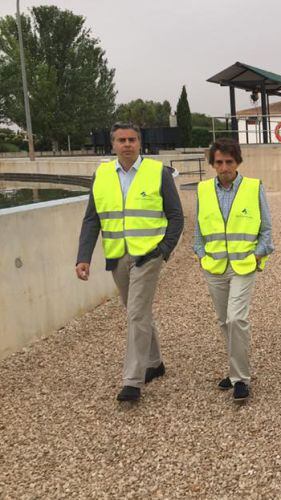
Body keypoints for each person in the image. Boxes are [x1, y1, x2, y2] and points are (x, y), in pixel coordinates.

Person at [75, 122, 184, 403]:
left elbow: (176, 216)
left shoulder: (158, 173)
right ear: (112, 145)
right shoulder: (101, 175)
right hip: (116, 256)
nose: (127, 144)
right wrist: (83, 257)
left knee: (136, 313)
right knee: (137, 311)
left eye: (132, 139)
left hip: (148, 255)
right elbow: (92, 219)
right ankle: (156, 363)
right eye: (121, 140)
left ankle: (132, 381)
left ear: (140, 143)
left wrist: (164, 250)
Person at [192, 138, 274, 403]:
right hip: (214, 267)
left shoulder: (253, 187)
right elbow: (198, 231)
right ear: (212, 164)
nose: (224, 167)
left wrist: (258, 254)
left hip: (243, 265)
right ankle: (234, 370)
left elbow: (266, 230)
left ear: (237, 162)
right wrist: (202, 256)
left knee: (236, 318)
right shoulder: (203, 190)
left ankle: (240, 379)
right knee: (224, 322)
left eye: (229, 161)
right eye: (219, 162)